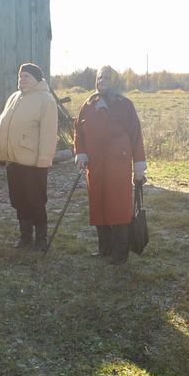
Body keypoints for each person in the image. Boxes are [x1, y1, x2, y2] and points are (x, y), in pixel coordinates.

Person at [74, 66, 147, 265]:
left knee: (119, 207)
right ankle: (104, 249)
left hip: (118, 164)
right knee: (99, 205)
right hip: (95, 164)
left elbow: (136, 136)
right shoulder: (88, 104)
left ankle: (120, 254)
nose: (102, 81)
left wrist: (139, 167)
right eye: (99, 77)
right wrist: (81, 153)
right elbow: (78, 131)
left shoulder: (125, 105)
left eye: (106, 77)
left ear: (114, 80)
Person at [0, 63, 59, 251]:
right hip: (14, 160)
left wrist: (44, 160)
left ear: (37, 79)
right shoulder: (14, 97)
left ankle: (41, 239)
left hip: (33, 163)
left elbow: (48, 134)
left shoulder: (46, 100)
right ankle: (25, 237)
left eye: (26, 76)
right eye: (20, 76)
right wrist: (4, 152)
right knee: (19, 200)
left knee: (36, 201)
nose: (21, 79)